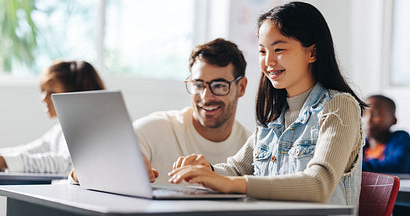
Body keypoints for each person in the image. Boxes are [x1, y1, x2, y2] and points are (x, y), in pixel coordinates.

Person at [168, 1, 367, 210]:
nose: (269, 61)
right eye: (262, 51)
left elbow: (318, 184)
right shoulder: (272, 117)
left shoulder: (339, 107)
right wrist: (207, 170)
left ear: (312, 53)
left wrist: (232, 184)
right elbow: (237, 170)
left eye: (278, 49)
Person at [68, 38, 252, 184]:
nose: (206, 97)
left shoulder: (252, 147)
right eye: (198, 85)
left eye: (219, 85)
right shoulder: (156, 128)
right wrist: (90, 171)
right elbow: (82, 171)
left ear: (241, 87)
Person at [0, 60, 105, 173]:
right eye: (42, 91)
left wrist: (2, 162)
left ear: (75, 93)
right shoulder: (59, 132)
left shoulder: (94, 131)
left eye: (51, 92)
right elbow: (28, 151)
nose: (43, 98)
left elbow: (67, 164)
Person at [362, 94, 410, 173]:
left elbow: (399, 166)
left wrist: (358, 167)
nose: (368, 120)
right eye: (364, 114)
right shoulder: (359, 146)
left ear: (393, 120)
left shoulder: (400, 139)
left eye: (375, 114)